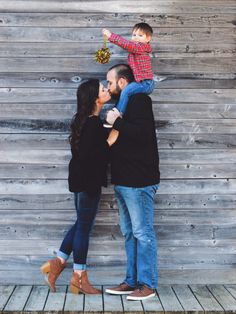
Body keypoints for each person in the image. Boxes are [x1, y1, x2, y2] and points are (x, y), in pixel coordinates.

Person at [40, 79, 116, 295]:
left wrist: (107, 127)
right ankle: (79, 277)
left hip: (81, 181)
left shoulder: (87, 121)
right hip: (88, 181)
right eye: (103, 89)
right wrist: (111, 138)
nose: (106, 89)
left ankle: (57, 265)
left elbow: (88, 151)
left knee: (82, 224)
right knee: (84, 227)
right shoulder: (92, 123)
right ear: (95, 98)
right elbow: (94, 156)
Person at [105, 64, 160, 301]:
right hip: (123, 180)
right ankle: (131, 281)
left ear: (123, 82)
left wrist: (117, 122)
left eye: (110, 82)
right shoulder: (121, 106)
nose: (108, 87)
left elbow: (142, 134)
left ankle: (147, 284)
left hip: (139, 180)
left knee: (142, 232)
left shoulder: (139, 101)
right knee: (129, 233)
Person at [102, 23, 156, 126]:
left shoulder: (140, 47)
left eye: (140, 35)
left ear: (148, 38)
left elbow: (126, 44)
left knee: (126, 91)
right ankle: (117, 110)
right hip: (142, 82)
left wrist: (110, 36)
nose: (136, 38)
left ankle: (118, 115)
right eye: (134, 35)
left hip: (146, 84)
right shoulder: (137, 49)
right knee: (124, 93)